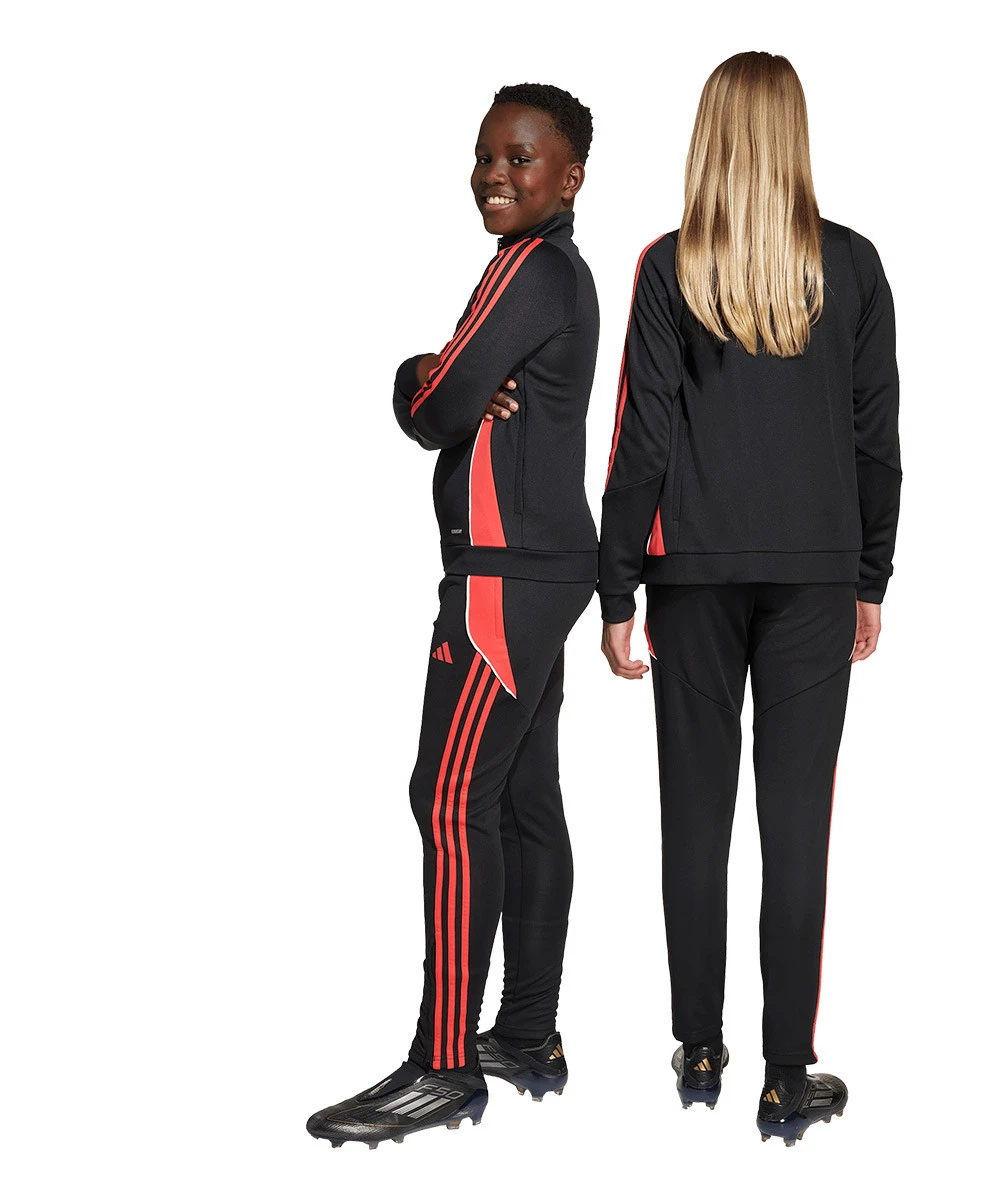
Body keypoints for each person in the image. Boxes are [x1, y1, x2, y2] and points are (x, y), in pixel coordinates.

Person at [598, 51, 901, 1147]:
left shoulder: (668, 266)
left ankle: (699, 1048)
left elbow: (640, 441)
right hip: (817, 576)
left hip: (692, 578)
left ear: (711, 135)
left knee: (694, 816)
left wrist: (616, 589)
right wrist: (870, 576)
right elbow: (876, 441)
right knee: (796, 827)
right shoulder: (853, 266)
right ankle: (784, 1076)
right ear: (794, 135)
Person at [307, 83, 599, 1148]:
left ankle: (443, 1065)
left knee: (448, 797)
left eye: (521, 159)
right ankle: (525, 1035)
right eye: (485, 156)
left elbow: (436, 412)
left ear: (571, 177)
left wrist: (422, 376)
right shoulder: (556, 273)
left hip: (501, 579)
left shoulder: (527, 270)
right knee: (519, 797)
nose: (494, 175)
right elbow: (452, 395)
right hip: (542, 569)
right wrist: (442, 378)